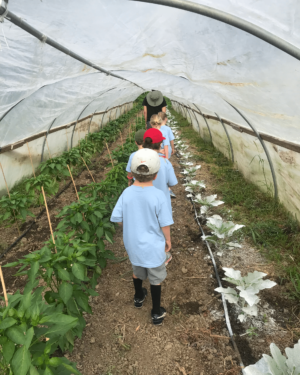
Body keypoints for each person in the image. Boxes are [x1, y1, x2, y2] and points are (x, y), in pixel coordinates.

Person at [110, 148, 173, 325]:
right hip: (153, 247)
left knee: (137, 272)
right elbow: (164, 223)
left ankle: (138, 297)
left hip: (133, 245)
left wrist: (131, 225)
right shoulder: (158, 195)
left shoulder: (126, 193)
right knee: (155, 278)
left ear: (132, 173)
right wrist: (167, 240)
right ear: (156, 175)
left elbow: (118, 218)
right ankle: (156, 312)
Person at [143, 128, 178, 265]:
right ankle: (162, 255)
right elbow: (172, 182)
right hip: (162, 201)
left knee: (147, 226)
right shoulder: (164, 162)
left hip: (144, 201)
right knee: (161, 227)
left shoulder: (139, 160)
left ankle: (146, 253)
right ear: (160, 145)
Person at [158, 112, 177, 198]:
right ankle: (168, 188)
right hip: (166, 150)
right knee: (165, 167)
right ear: (166, 119)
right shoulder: (167, 129)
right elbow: (171, 140)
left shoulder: (156, 129)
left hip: (158, 151)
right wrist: (172, 148)